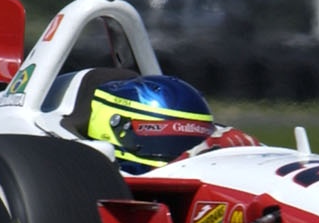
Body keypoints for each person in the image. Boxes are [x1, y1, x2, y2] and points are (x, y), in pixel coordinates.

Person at [86, 74, 241, 174]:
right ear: (118, 127)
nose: (188, 152)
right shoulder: (92, 181)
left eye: (193, 142)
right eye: (164, 142)